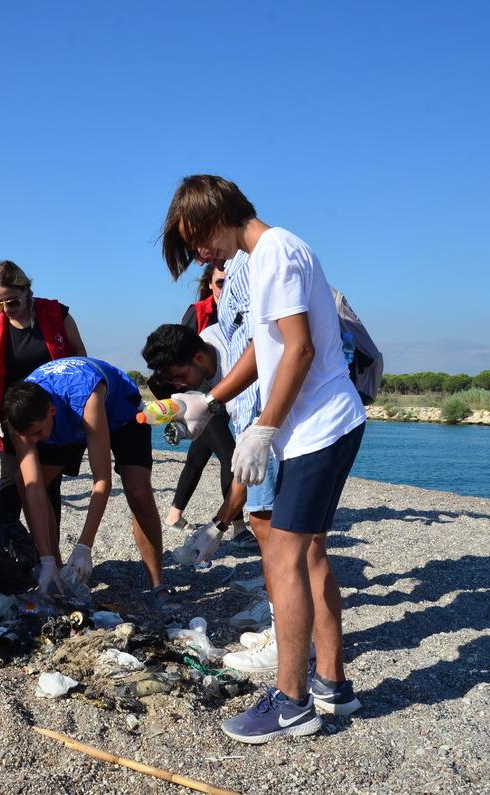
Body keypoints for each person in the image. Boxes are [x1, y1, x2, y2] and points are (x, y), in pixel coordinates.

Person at [161, 174, 366, 743]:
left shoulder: (274, 250)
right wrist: (212, 398)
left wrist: (264, 428)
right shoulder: (265, 256)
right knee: (311, 555)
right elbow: (263, 347)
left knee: (285, 556)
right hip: (315, 428)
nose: (201, 252)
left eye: (198, 238)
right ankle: (331, 683)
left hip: (317, 427)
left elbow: (298, 349)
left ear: (218, 212)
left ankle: (291, 701)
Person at [2, 357, 181, 612]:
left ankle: (157, 583)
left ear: (52, 411)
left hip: (122, 416)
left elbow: (102, 480)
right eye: (28, 437)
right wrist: (46, 560)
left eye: (39, 433)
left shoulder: (86, 398)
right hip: (66, 425)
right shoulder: (21, 417)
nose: (36, 441)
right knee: (27, 482)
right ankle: (57, 573)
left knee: (137, 490)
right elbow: (32, 487)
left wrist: (84, 546)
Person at [0, 261, 86, 526]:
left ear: (27, 291)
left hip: (52, 414)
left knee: (49, 486)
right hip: (12, 416)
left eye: (12, 302)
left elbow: (81, 357)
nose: (6, 310)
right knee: (11, 485)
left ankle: (48, 557)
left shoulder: (57, 314)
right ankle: (6, 551)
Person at [158, 262, 252, 554]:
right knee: (229, 455)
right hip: (201, 397)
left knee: (199, 455)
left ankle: (175, 514)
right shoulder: (199, 314)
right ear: (210, 285)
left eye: (230, 282)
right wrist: (182, 407)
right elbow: (173, 357)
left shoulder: (244, 313)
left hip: (222, 397)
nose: (226, 289)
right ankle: (236, 525)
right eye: (220, 283)